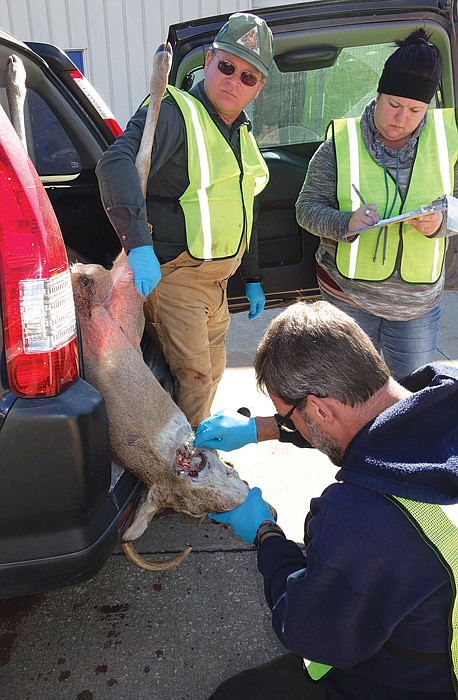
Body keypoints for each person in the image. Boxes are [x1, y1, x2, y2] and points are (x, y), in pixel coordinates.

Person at [200, 299, 458, 700]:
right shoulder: (446, 388)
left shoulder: (360, 519)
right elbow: (375, 423)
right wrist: (263, 429)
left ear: (319, 409)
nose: (288, 425)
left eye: (288, 417)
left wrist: (267, 533)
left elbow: (306, 629)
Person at [96, 13, 273, 427]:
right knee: (194, 378)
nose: (234, 81)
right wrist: (137, 244)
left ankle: (196, 453)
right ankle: (188, 472)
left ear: (259, 87)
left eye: (248, 77)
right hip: (178, 277)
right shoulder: (176, 111)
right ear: (209, 60)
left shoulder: (241, 131)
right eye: (227, 66)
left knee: (209, 375)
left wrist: (252, 275)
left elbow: (247, 204)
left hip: (216, 284)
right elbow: (115, 164)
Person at [295, 29, 458, 380]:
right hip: (348, 298)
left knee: (411, 399)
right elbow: (306, 208)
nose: (401, 118)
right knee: (348, 395)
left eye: (415, 110)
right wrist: (346, 223)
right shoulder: (342, 143)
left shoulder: (448, 141)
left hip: (417, 308)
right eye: (394, 105)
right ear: (379, 94)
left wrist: (443, 221)